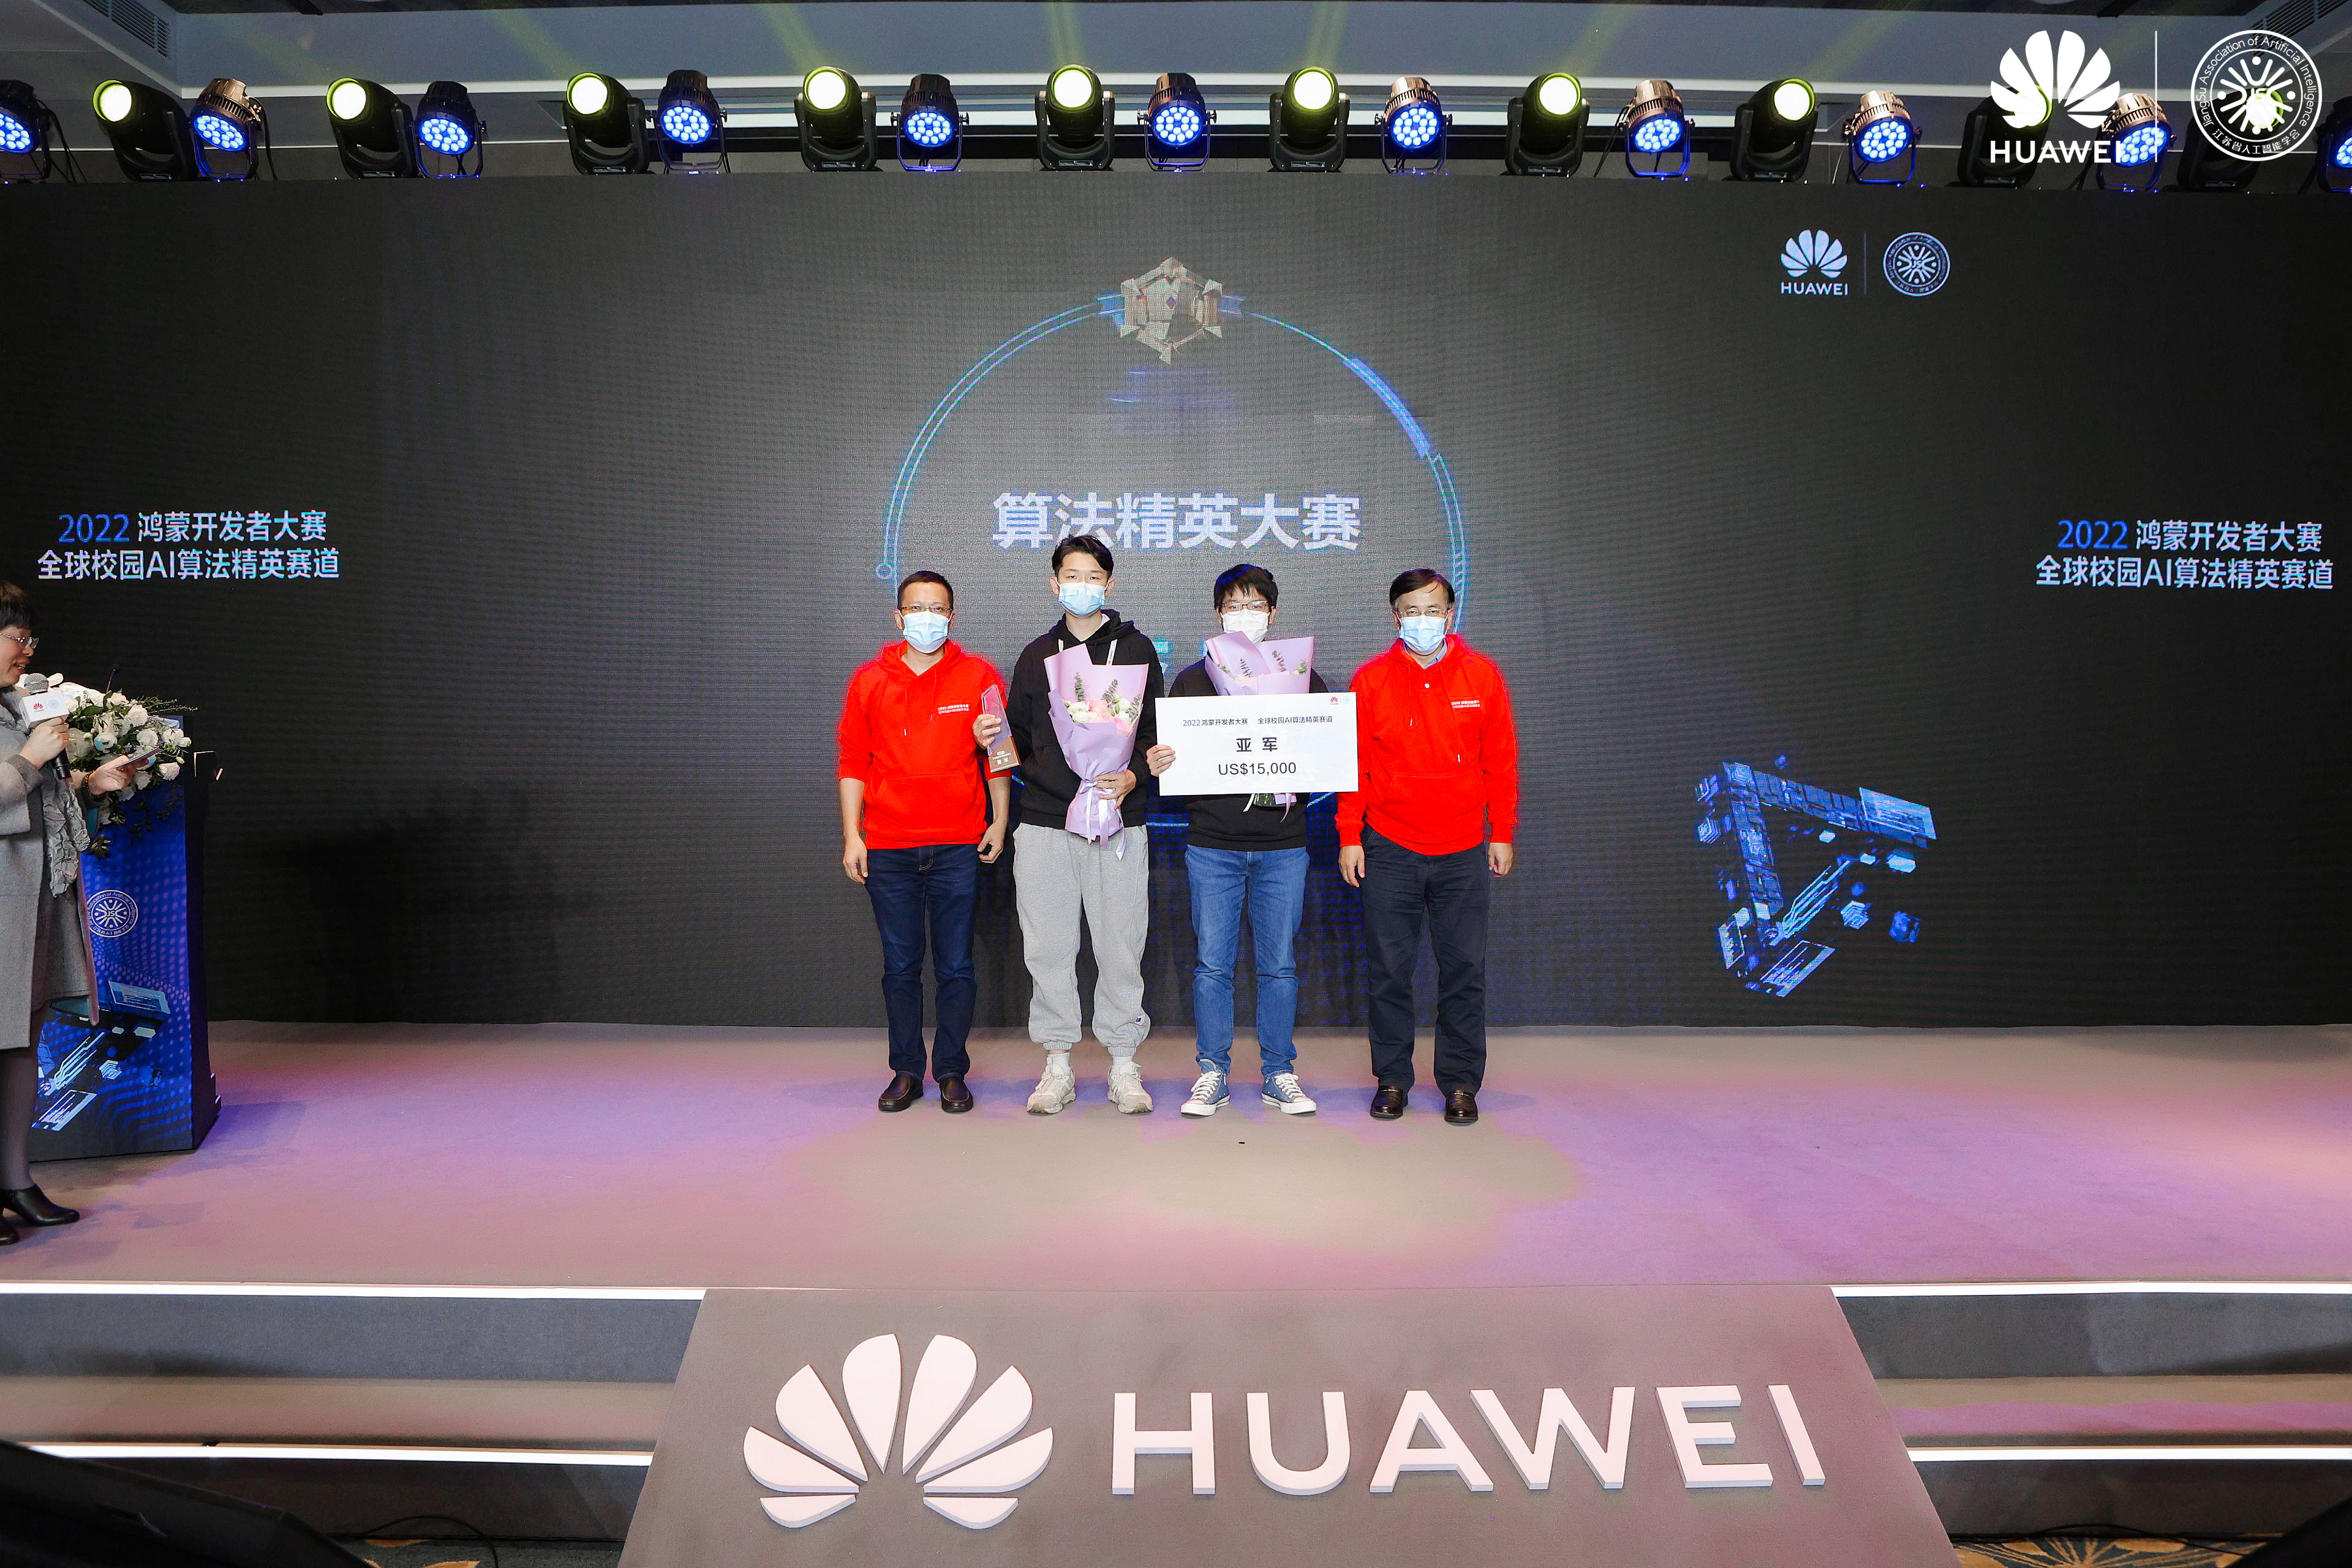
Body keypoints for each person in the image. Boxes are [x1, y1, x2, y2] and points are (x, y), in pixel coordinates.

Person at [983, 537, 1164, 1116]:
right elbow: (1016, 737)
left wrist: (1134, 776)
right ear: (1054, 583)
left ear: (1110, 584)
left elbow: (1156, 734)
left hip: (1118, 820)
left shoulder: (1137, 649)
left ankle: (1123, 1063)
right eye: (1070, 575)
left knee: (1121, 945)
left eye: (1092, 576)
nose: (1081, 585)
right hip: (1045, 823)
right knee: (1049, 946)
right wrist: (989, 736)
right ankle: (1057, 1063)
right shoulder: (1036, 655)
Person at [1336, 569, 1518, 1126]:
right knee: (1390, 971)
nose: (1423, 621)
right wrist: (1350, 835)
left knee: (1464, 970)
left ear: (1450, 614)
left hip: (1463, 848)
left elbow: (1500, 760)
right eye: (1412, 612)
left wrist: (1502, 831)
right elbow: (1355, 766)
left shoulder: (1481, 675)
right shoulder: (1370, 680)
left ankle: (1461, 1083)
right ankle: (1392, 1079)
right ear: (1396, 617)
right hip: (1389, 846)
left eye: (1433, 610)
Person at [1151, 564, 1324, 1118]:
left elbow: (1322, 755)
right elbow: (1172, 761)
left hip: (1283, 846)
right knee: (1212, 966)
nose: (1244, 615)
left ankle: (1279, 1072)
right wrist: (1162, 761)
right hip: (1213, 845)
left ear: (1273, 613)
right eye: (1233, 606)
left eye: (1255, 606)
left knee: (1280, 966)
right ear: (1218, 614)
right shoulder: (1192, 680)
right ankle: (1213, 1072)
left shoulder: (1303, 678)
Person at [837, 571, 1011, 1115]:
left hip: (958, 843)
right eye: (917, 608)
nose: (927, 618)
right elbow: (853, 762)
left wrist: (1000, 821)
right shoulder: (870, 681)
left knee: (956, 965)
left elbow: (1000, 753)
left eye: (937, 609)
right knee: (900, 966)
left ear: (952, 617)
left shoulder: (979, 675)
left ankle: (952, 1071)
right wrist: (853, 835)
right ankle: (907, 1071)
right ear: (899, 617)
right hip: (889, 845)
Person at [0, 582, 140, 1246]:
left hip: (30, 900)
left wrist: (87, 783)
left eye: (30, 638)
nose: (27, 650)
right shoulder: (21, 729)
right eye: (15, 637)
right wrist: (30, 760)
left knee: (20, 1046)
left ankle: (14, 1179)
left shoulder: (17, 708)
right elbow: (16, 781)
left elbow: (38, 801)